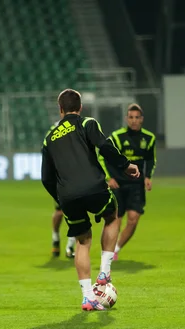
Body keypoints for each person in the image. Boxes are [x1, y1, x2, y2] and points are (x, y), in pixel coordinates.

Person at [41, 89, 140, 311]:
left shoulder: (49, 138)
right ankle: (104, 272)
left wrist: (60, 197)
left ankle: (87, 297)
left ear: (60, 110)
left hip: (67, 196)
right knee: (112, 214)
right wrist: (125, 165)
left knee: (82, 241)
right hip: (93, 187)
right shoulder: (86, 123)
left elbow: (46, 178)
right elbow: (104, 146)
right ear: (80, 107)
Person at [100, 103, 156, 261]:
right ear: (126, 119)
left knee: (133, 219)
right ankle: (108, 253)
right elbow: (103, 155)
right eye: (131, 117)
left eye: (137, 117)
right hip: (118, 184)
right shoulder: (117, 137)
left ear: (142, 119)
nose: (133, 120)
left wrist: (148, 176)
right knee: (115, 220)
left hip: (136, 185)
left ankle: (116, 249)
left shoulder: (149, 138)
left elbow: (150, 159)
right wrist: (108, 177)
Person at [47, 120, 76, 258]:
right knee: (60, 212)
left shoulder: (79, 126)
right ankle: (55, 237)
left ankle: (70, 246)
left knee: (77, 211)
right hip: (60, 177)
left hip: (76, 177)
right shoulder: (54, 129)